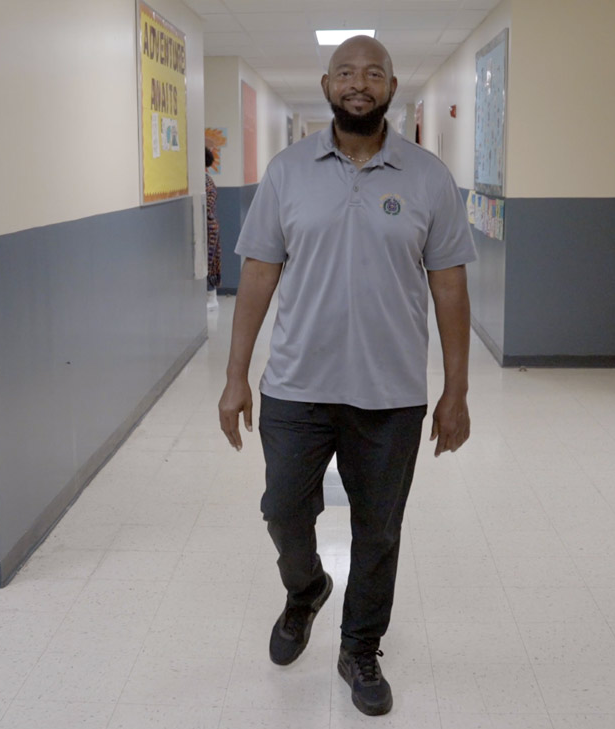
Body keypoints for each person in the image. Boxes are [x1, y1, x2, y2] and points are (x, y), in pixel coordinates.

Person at [217, 36, 476, 717]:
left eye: (373, 74)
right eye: (346, 73)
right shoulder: (286, 173)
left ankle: (360, 646)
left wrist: (456, 391)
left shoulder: (427, 178)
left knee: (378, 530)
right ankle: (306, 589)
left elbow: (450, 289)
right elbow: (258, 275)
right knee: (283, 509)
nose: (359, 83)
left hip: (391, 394)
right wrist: (235, 376)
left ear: (391, 87)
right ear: (327, 85)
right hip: (295, 385)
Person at [205, 147, 221, 310]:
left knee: (208, 264)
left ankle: (211, 298)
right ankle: (211, 297)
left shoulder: (205, 181)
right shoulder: (207, 180)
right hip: (210, 225)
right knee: (210, 263)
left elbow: (207, 207)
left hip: (208, 227)